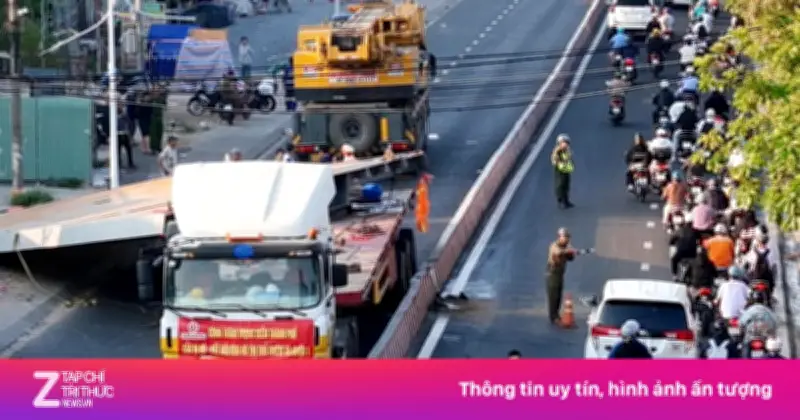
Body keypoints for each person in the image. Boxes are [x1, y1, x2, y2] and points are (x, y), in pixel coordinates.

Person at [545, 228, 577, 325]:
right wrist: (567, 252)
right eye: (565, 237)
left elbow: (571, 258)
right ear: (560, 237)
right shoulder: (554, 246)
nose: (567, 239)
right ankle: (553, 317)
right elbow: (557, 255)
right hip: (552, 274)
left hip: (560, 274)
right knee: (553, 296)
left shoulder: (567, 246)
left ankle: (557, 315)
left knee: (559, 295)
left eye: (568, 237)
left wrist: (571, 253)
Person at [550, 135, 574, 209]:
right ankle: (561, 200)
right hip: (559, 170)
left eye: (566, 143)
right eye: (564, 142)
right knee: (561, 184)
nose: (565, 144)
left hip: (566, 169)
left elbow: (570, 157)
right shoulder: (557, 151)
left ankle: (566, 201)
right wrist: (559, 163)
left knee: (566, 184)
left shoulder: (567, 150)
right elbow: (554, 160)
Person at [116, 103, 136, 169]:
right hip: (117, 134)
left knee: (129, 149)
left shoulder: (125, 116)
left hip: (125, 134)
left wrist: (131, 136)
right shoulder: (113, 116)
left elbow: (130, 124)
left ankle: (130, 162)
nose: (119, 107)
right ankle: (119, 163)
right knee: (117, 150)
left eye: (120, 106)